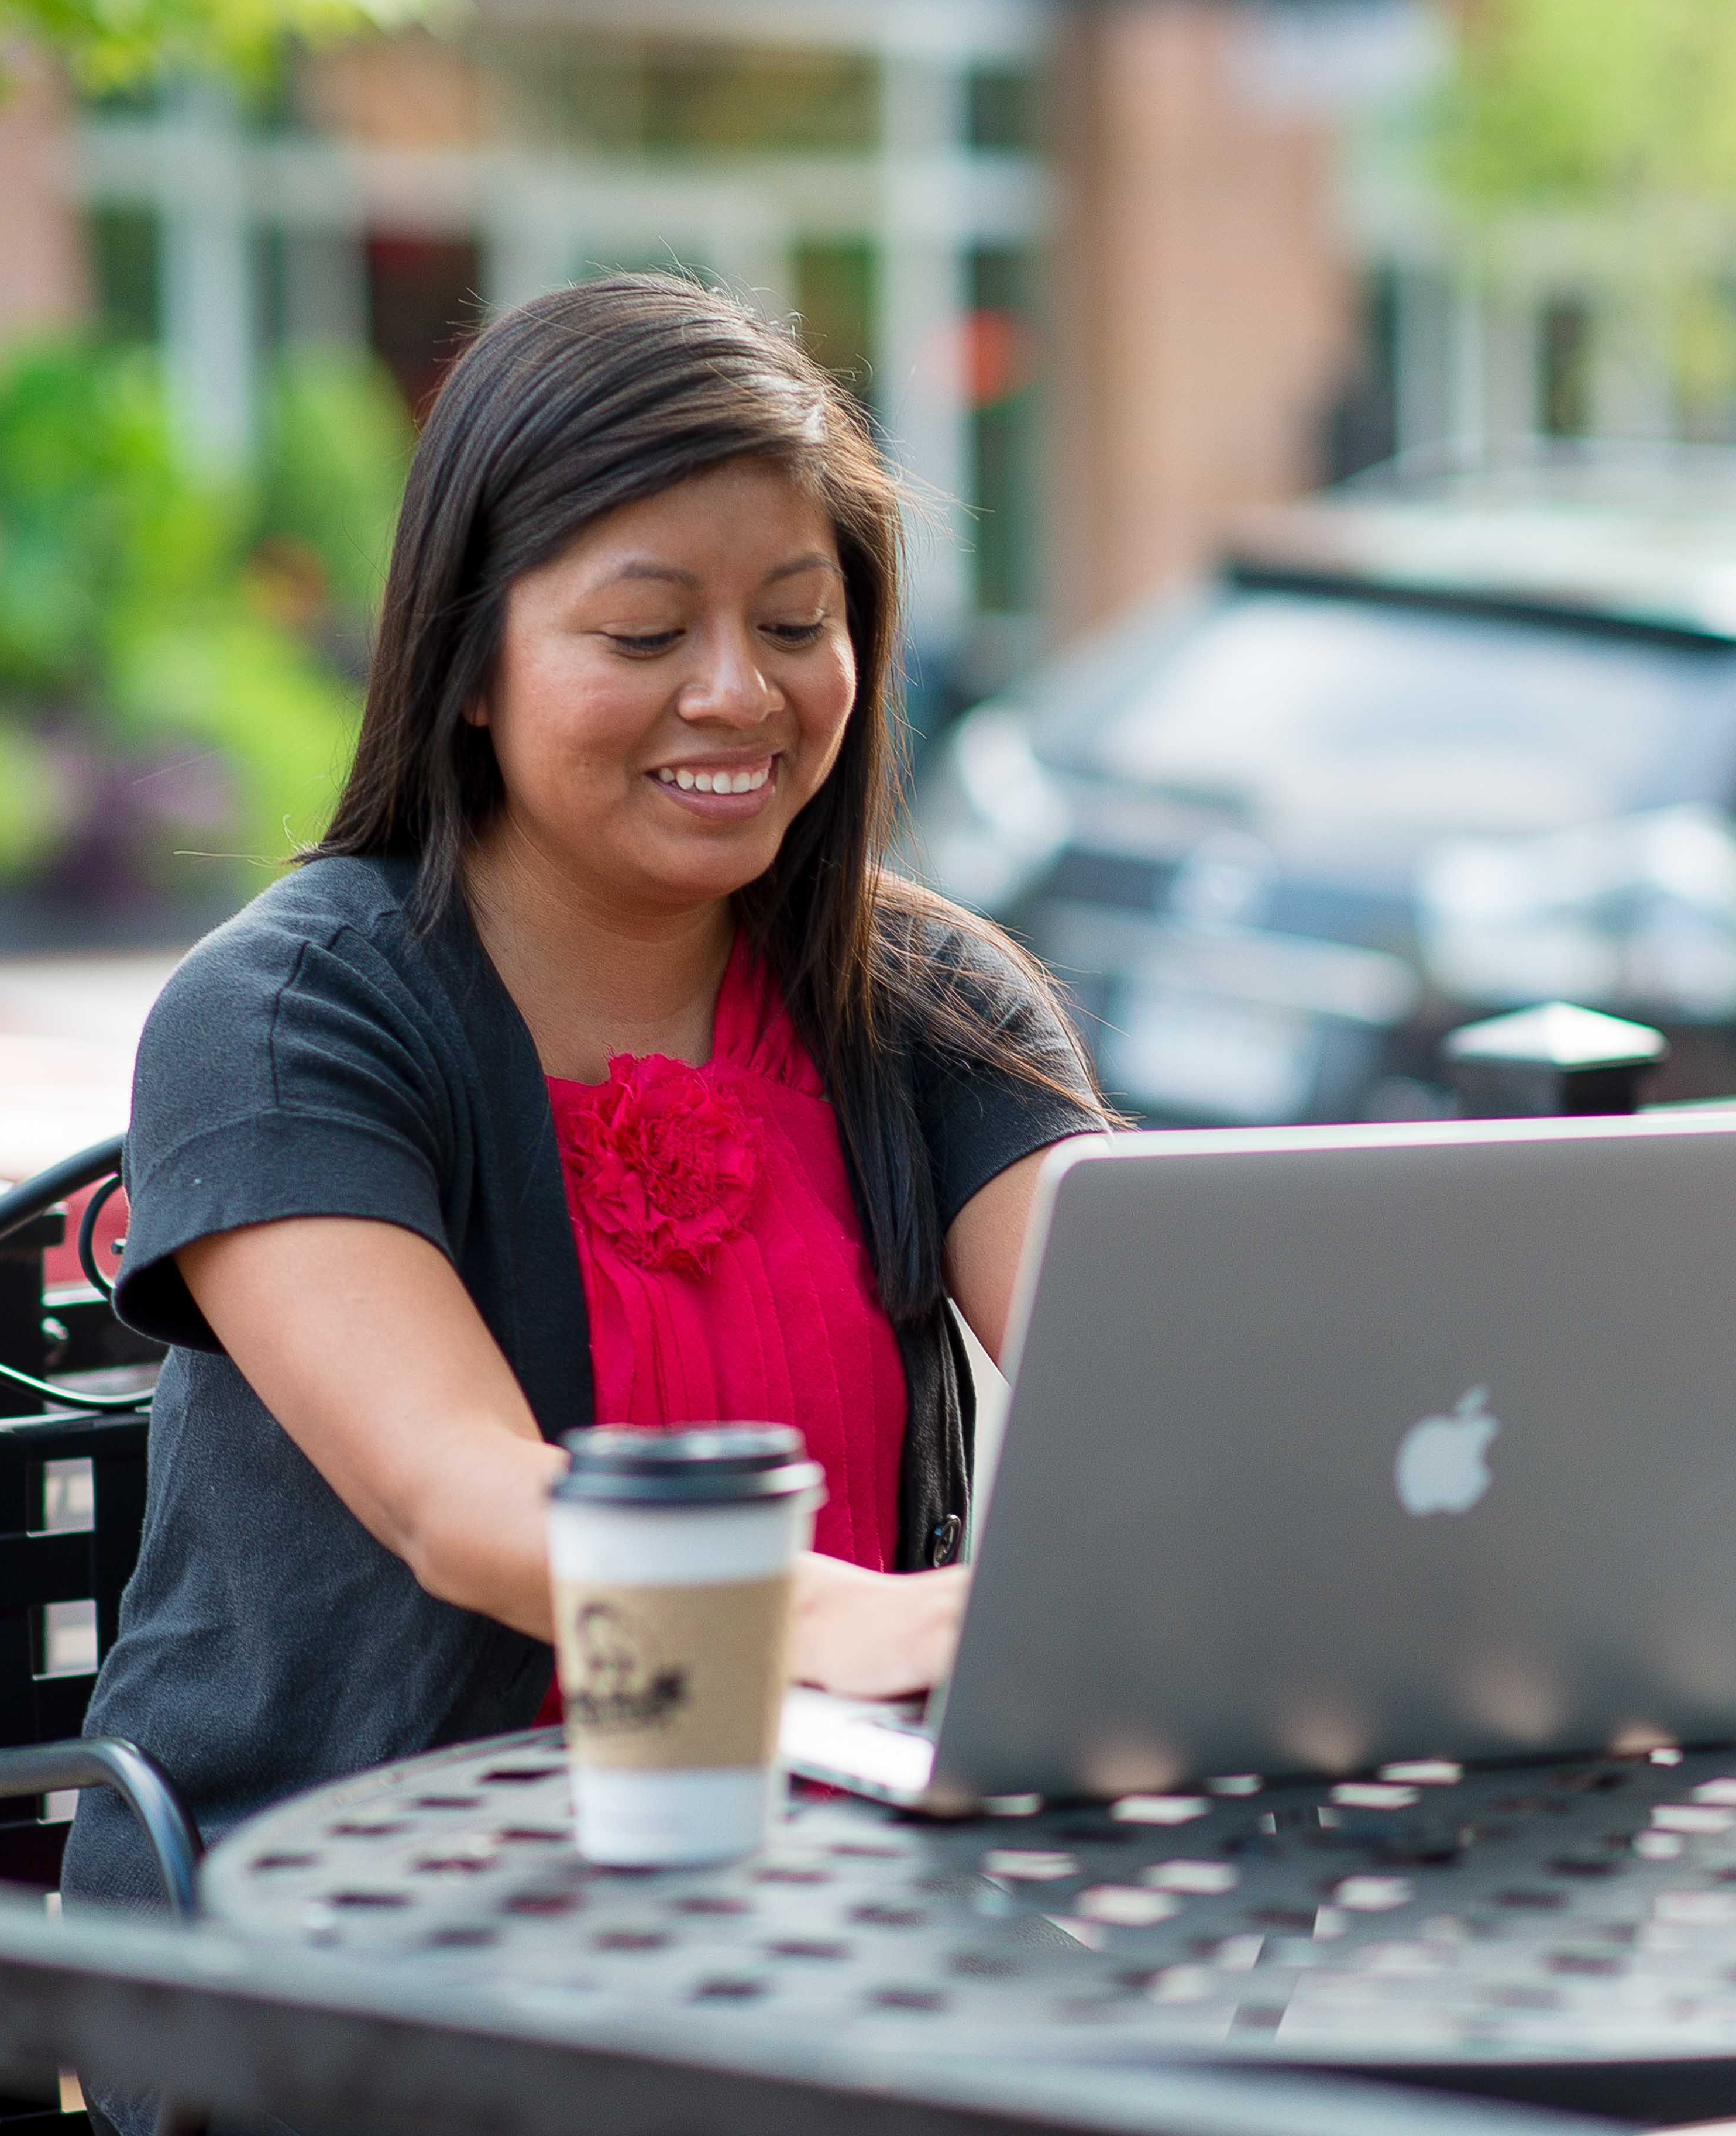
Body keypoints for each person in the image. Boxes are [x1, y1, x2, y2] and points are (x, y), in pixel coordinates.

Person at [63, 276, 1108, 1931]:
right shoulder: (284, 1015)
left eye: (793, 623)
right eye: (644, 636)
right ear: (469, 662)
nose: (740, 696)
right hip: (351, 1922)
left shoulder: (925, 1003)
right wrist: (846, 1628)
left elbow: (1161, 1359)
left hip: (829, 1908)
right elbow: (459, 1497)